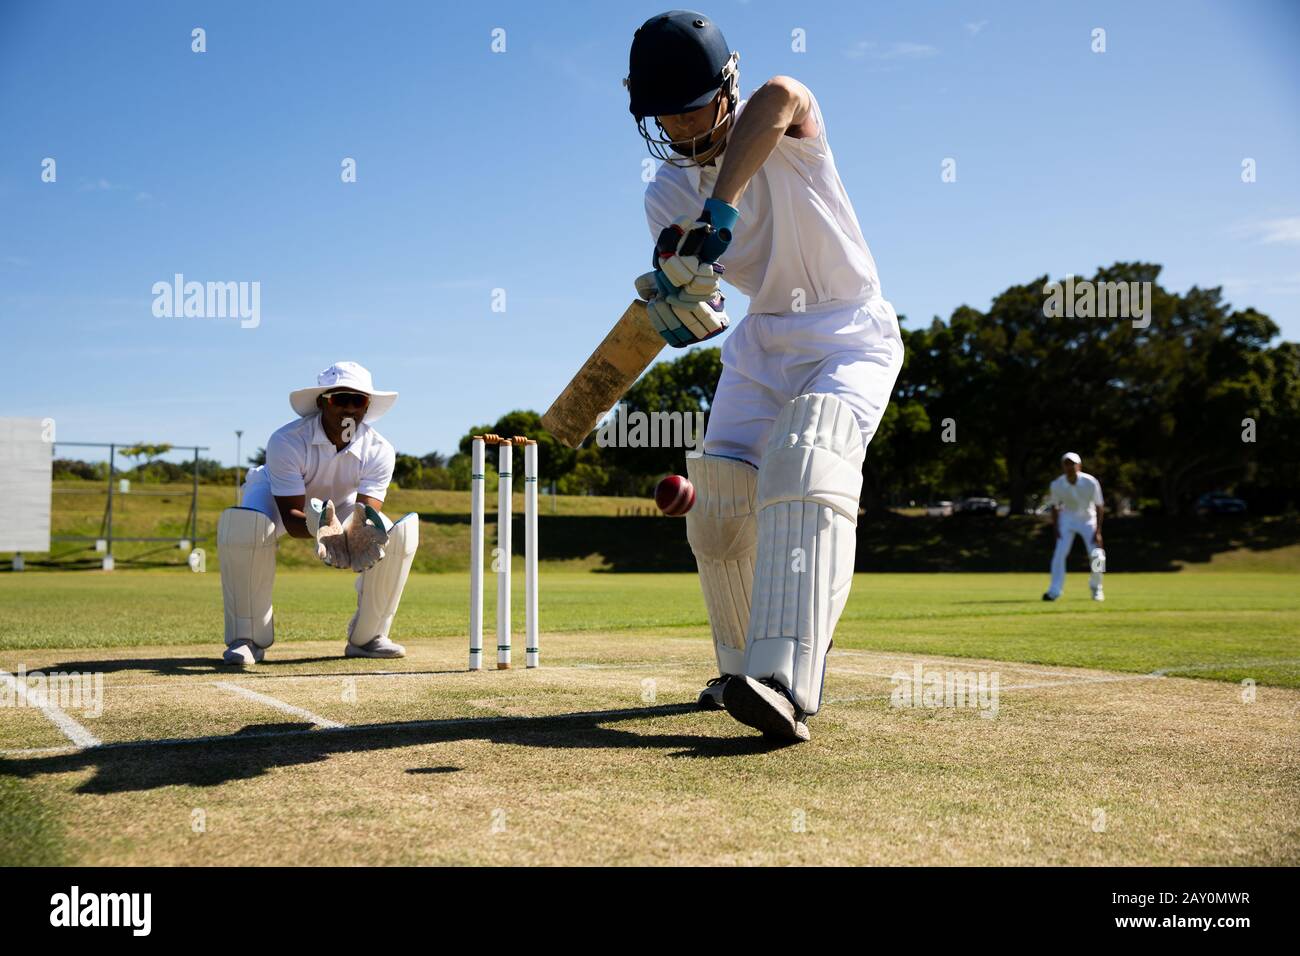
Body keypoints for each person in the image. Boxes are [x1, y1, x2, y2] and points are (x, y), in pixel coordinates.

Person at [626, 11, 904, 741]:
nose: (682, 130)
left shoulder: (776, 124)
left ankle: (788, 678)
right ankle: (739, 668)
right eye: (665, 116)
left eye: (691, 107)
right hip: (759, 344)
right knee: (716, 508)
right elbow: (709, 296)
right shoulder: (663, 194)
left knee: (804, 458)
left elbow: (783, 94)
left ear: (725, 88)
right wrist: (682, 301)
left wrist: (724, 203)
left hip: (848, 330)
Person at [217, 361, 420, 665]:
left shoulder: (380, 450)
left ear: (367, 407)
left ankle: (369, 636)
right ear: (323, 403)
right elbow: (292, 518)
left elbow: (365, 516)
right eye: (340, 399)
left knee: (392, 534)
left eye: (359, 400)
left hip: (340, 504)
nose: (349, 408)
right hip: (276, 498)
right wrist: (323, 528)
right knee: (249, 527)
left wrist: (358, 534)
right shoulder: (287, 441)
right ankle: (247, 638)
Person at [1042, 452, 1105, 603]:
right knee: (1059, 553)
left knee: (1098, 555)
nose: (1070, 467)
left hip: (1089, 520)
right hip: (1067, 520)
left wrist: (1098, 530)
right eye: (1067, 464)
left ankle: (1097, 587)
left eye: (1073, 463)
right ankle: (1054, 590)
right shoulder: (1056, 484)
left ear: (1079, 466)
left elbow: (1099, 505)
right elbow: (1055, 507)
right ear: (1063, 466)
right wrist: (1056, 527)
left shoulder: (1091, 482)